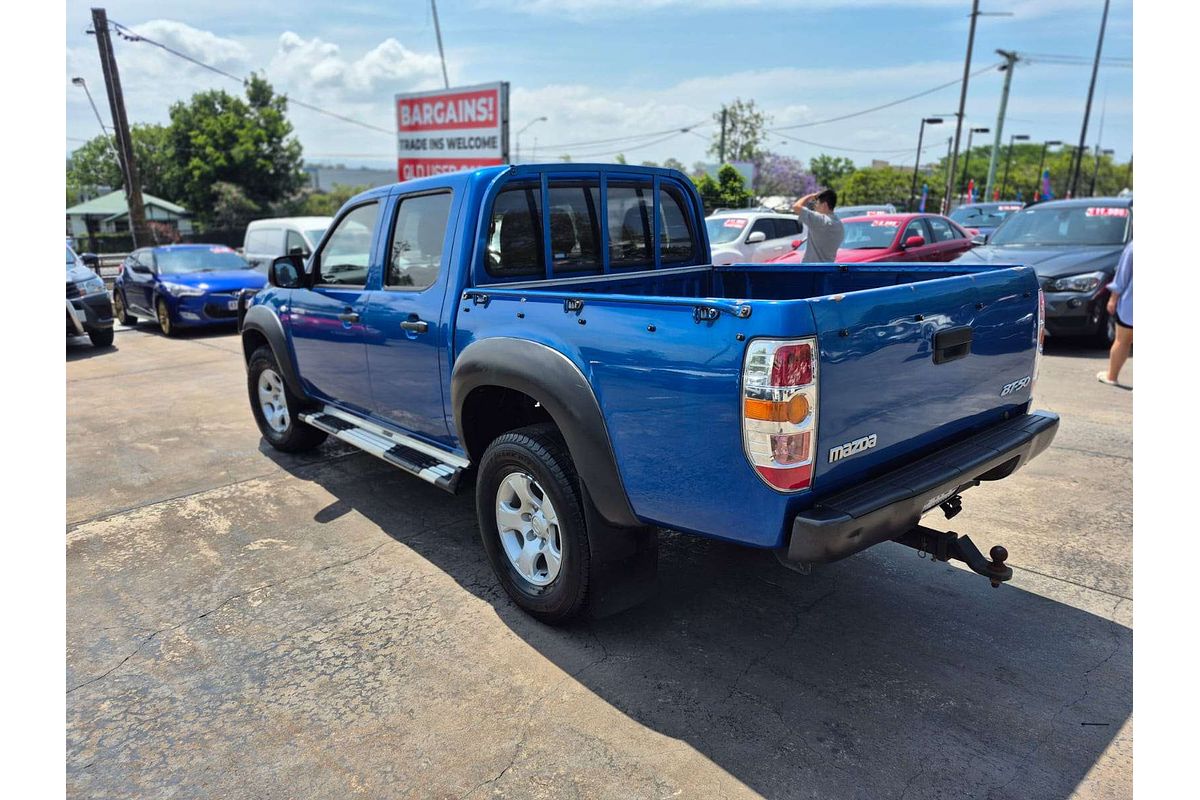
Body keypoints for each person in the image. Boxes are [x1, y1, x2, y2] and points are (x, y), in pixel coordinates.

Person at [1098, 240, 1133, 387]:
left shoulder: (1133, 247)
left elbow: (1121, 278)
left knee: (1122, 341)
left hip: (1131, 306)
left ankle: (1112, 376)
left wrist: (1113, 299)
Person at [791, 189, 845, 263]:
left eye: (817, 203)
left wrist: (811, 196)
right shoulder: (839, 224)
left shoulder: (820, 220)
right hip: (828, 268)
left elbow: (796, 207)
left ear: (824, 205)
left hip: (812, 269)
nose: (815, 207)